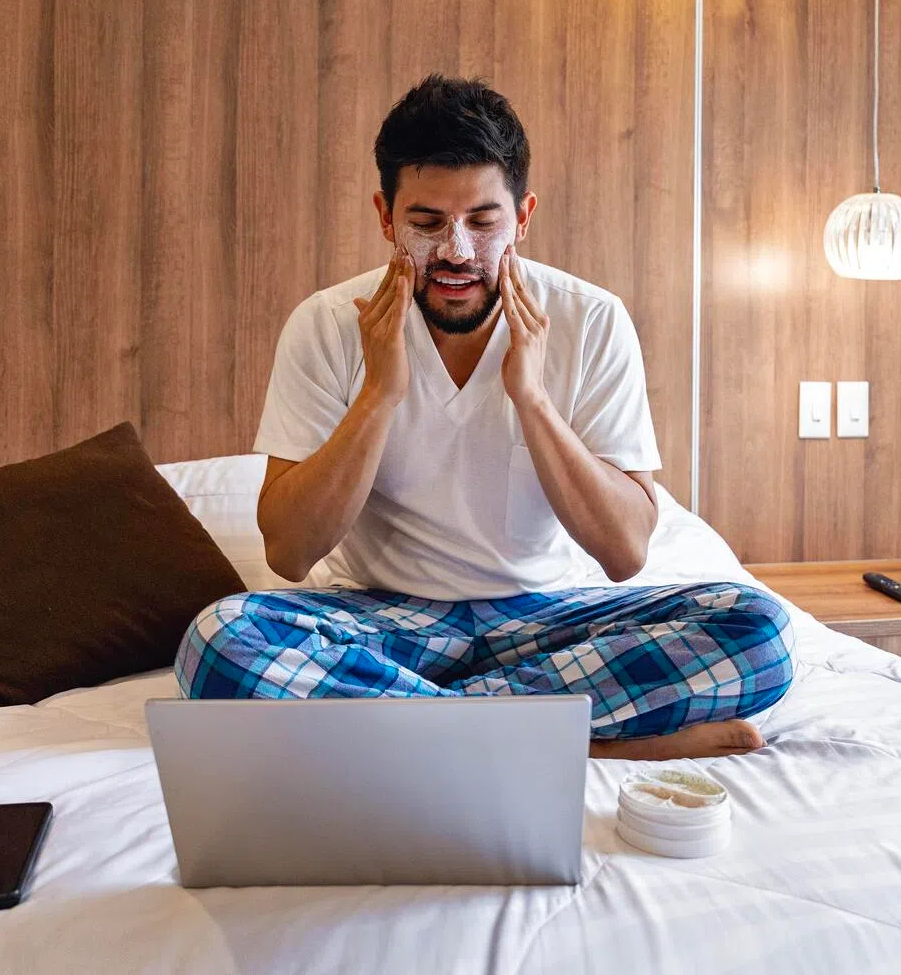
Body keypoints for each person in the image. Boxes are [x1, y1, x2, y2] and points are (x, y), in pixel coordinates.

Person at [175, 74, 794, 760]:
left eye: (483, 221)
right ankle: (572, 745)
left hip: (549, 620)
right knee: (218, 641)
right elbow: (289, 555)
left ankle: (427, 733)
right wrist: (379, 393)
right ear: (386, 217)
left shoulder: (591, 319)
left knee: (758, 628)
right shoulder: (326, 325)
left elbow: (625, 554)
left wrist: (531, 398)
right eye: (427, 223)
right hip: (384, 617)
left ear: (523, 216)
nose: (457, 251)